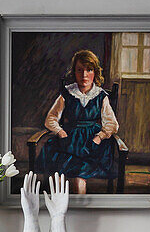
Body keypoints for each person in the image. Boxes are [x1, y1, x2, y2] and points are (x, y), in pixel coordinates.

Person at [41, 49, 119, 194]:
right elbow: (51, 118)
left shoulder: (101, 96)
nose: (84, 75)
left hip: (91, 144)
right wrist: (60, 131)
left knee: (79, 178)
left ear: (95, 72)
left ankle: (81, 209)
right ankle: (58, 209)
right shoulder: (67, 93)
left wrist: (99, 136)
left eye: (89, 70)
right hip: (69, 140)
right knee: (58, 178)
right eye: (79, 70)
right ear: (74, 72)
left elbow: (112, 123)